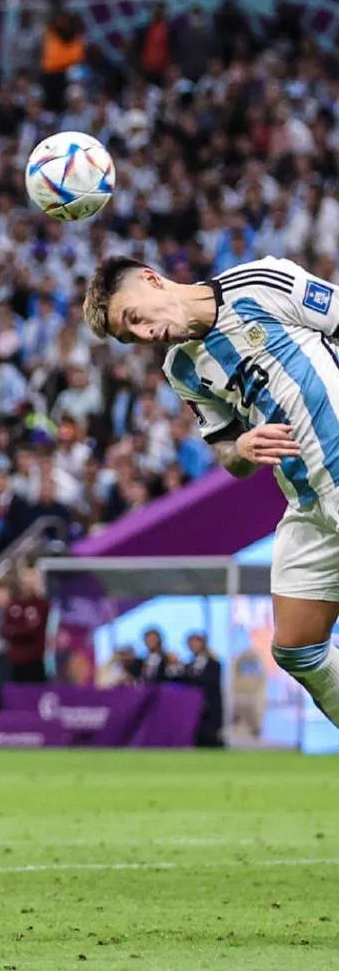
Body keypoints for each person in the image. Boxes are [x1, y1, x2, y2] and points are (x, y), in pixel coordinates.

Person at [84, 254, 339, 727]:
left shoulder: (259, 283)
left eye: (135, 318)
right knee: (297, 649)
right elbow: (229, 458)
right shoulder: (181, 368)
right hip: (309, 505)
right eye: (130, 336)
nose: (144, 334)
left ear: (151, 280)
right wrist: (241, 445)